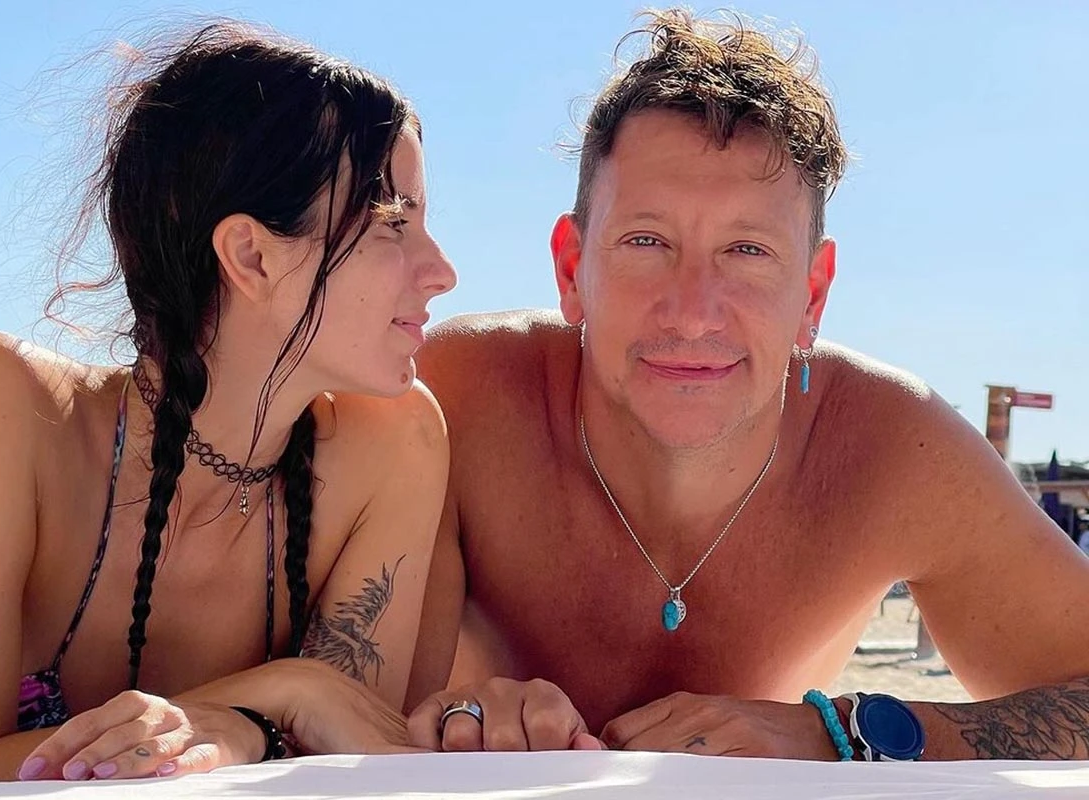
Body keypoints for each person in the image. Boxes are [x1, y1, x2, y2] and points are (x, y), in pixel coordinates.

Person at [404, 8, 1089, 762]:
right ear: (572, 270)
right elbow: (321, 687)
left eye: (748, 251)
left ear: (813, 295)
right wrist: (452, 715)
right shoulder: (452, 399)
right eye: (646, 241)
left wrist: (845, 731)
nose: (693, 313)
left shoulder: (892, 449)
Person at [0, 19, 456, 785]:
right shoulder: (4, 412)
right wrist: (283, 693)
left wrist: (251, 720)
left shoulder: (392, 446)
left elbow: (354, 762)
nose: (442, 270)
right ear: (252, 256)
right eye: (394, 223)